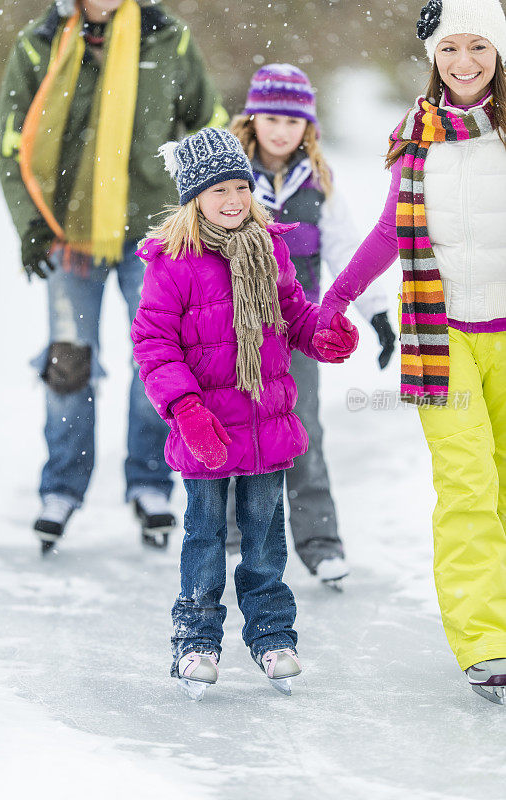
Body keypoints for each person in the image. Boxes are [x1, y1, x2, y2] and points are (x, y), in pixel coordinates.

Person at [314, 0, 506, 704]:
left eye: (478, 49)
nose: (463, 63)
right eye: (450, 48)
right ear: (433, 56)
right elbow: (391, 232)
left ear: (499, 54)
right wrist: (334, 301)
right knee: (468, 486)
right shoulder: (416, 135)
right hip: (442, 337)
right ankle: (486, 642)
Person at [0, 0, 227, 553]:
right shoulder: (41, 41)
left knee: (158, 359)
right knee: (69, 362)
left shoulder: (168, 38)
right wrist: (32, 225)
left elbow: (210, 126)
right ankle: (62, 489)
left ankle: (150, 483)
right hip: (67, 234)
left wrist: (211, 213)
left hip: (155, 236)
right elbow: (11, 143)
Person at [131, 127, 356, 697]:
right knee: (205, 538)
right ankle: (196, 642)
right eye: (217, 191)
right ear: (193, 198)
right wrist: (185, 409)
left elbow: (290, 312)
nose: (232, 200)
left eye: (240, 187)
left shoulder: (269, 246)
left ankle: (273, 634)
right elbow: (154, 346)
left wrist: (320, 334)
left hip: (265, 426)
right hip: (205, 427)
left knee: (264, 539)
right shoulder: (172, 261)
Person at [227, 64, 396, 584]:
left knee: (301, 430)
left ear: (309, 128)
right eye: (272, 118)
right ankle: (232, 533)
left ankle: (320, 542)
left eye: (293, 121)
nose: (281, 131)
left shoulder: (318, 184)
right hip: (229, 330)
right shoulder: (227, 179)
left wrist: (377, 315)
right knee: (234, 424)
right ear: (253, 119)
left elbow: (348, 249)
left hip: (297, 329)